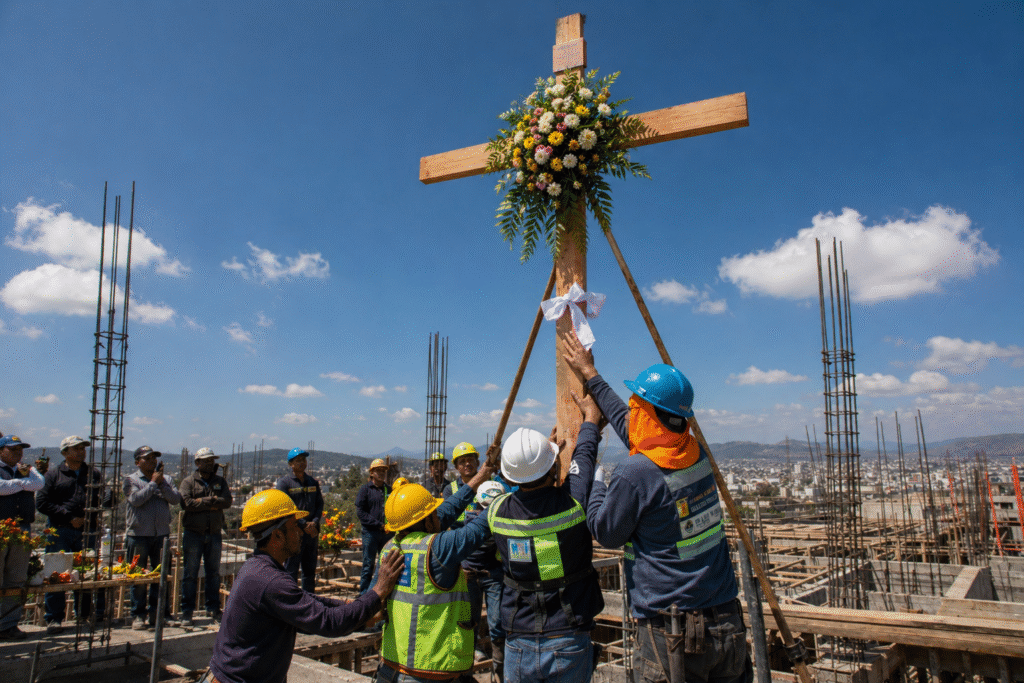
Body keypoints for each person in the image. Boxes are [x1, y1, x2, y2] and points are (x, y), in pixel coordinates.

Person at [563, 332, 753, 683]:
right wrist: (592, 374)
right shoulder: (693, 451)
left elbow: (606, 531)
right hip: (726, 622)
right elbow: (632, 426)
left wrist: (598, 485)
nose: (632, 408)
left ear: (648, 414)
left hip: (674, 633)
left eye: (638, 403)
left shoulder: (638, 473)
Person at [203, 489, 404, 683]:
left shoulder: (258, 568)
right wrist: (377, 592)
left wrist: (353, 607)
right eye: (294, 526)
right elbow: (329, 621)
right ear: (278, 536)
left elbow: (308, 601)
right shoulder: (271, 581)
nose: (301, 531)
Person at [485, 391, 605, 683]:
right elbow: (583, 461)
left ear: (510, 477)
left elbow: (516, 486)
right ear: (552, 468)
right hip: (568, 634)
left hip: (519, 642)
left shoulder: (497, 512)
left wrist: (544, 455)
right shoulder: (572, 506)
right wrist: (590, 421)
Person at [375, 456, 498, 683]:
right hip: (431, 672)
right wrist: (505, 488)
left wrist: (481, 476)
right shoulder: (438, 548)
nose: (438, 515)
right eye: (433, 512)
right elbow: (480, 527)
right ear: (426, 519)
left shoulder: (388, 550)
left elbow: (447, 510)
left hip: (391, 667)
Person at [36, 435, 110, 634]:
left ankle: (83, 615)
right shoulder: (53, 475)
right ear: (65, 452)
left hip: (87, 531)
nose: (81, 451)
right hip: (60, 530)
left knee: (86, 573)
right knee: (57, 573)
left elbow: (104, 495)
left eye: (82, 448)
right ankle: (54, 618)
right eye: (76, 448)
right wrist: (69, 517)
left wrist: (102, 503)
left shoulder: (93, 474)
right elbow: (42, 503)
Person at [123, 445, 181, 630]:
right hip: (139, 535)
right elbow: (136, 500)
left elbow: (175, 499)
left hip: (161, 535)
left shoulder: (167, 480)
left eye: (154, 458)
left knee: (162, 575)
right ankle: (138, 615)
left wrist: (161, 483)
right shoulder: (130, 480)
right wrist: (153, 484)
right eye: (147, 458)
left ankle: (159, 614)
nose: (152, 461)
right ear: (137, 462)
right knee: (138, 577)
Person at [179, 447, 232, 627]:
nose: (210, 463)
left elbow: (227, 501)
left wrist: (202, 502)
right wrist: (212, 502)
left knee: (213, 574)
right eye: (206, 460)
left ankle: (213, 608)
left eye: (212, 460)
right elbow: (186, 503)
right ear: (197, 463)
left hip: (214, 534)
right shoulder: (188, 482)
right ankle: (187, 611)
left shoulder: (220, 481)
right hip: (194, 534)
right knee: (190, 574)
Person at [0, 435, 44, 640]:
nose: (18, 453)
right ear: (1, 451)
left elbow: (38, 484)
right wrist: (21, 483)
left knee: (16, 578)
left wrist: (21, 481)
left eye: (20, 449)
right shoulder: (18, 474)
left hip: (22, 528)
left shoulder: (26, 469)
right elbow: (2, 488)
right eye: (13, 449)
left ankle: (8, 624)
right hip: (2, 529)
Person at [274, 447, 324, 593]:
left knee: (309, 571)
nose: (302, 463)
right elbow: (285, 507)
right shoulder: (285, 483)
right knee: (291, 570)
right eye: (298, 460)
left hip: (311, 533)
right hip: (293, 533)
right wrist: (303, 524)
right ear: (291, 464)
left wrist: (314, 521)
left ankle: (309, 601)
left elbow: (319, 504)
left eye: (304, 460)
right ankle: (291, 602)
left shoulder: (312, 482)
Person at [355, 458, 390, 595]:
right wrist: (378, 524)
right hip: (371, 533)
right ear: (372, 473)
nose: (381, 473)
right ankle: (364, 594)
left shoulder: (389, 490)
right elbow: (361, 512)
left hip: (386, 534)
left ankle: (382, 593)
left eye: (383, 471)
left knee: (386, 565)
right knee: (368, 565)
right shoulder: (365, 490)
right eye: (378, 470)